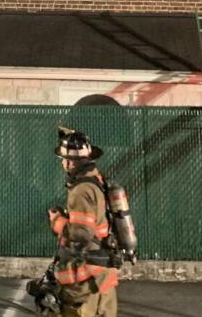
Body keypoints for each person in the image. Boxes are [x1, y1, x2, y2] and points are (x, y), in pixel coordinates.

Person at [47, 126, 119, 317]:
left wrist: (57, 221)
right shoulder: (97, 181)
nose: (63, 163)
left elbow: (81, 233)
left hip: (87, 277)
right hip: (102, 274)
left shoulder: (81, 190)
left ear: (70, 163)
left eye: (63, 159)